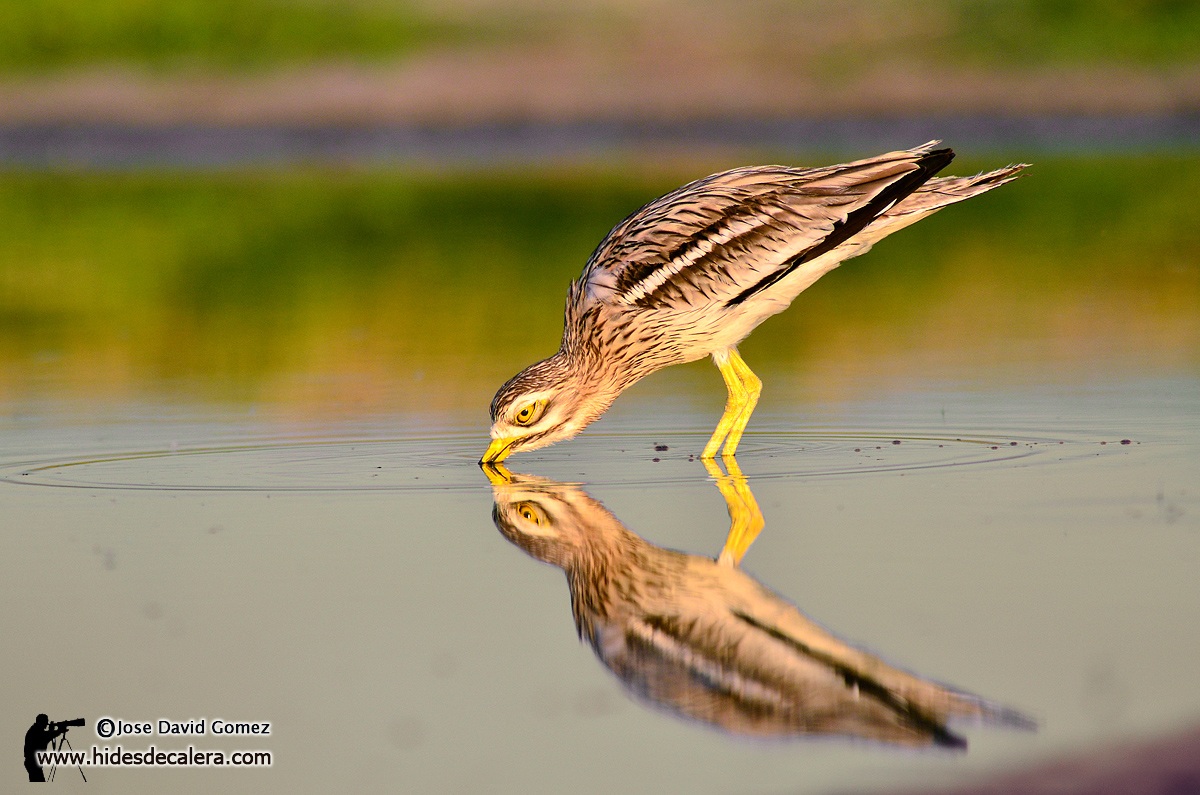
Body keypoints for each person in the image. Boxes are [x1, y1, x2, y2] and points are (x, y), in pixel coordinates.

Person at [23, 714, 67, 782]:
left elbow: (46, 736)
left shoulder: (35, 729)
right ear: (41, 722)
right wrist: (58, 731)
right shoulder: (35, 731)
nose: (46, 725)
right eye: (45, 722)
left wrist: (53, 731)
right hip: (33, 762)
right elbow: (45, 737)